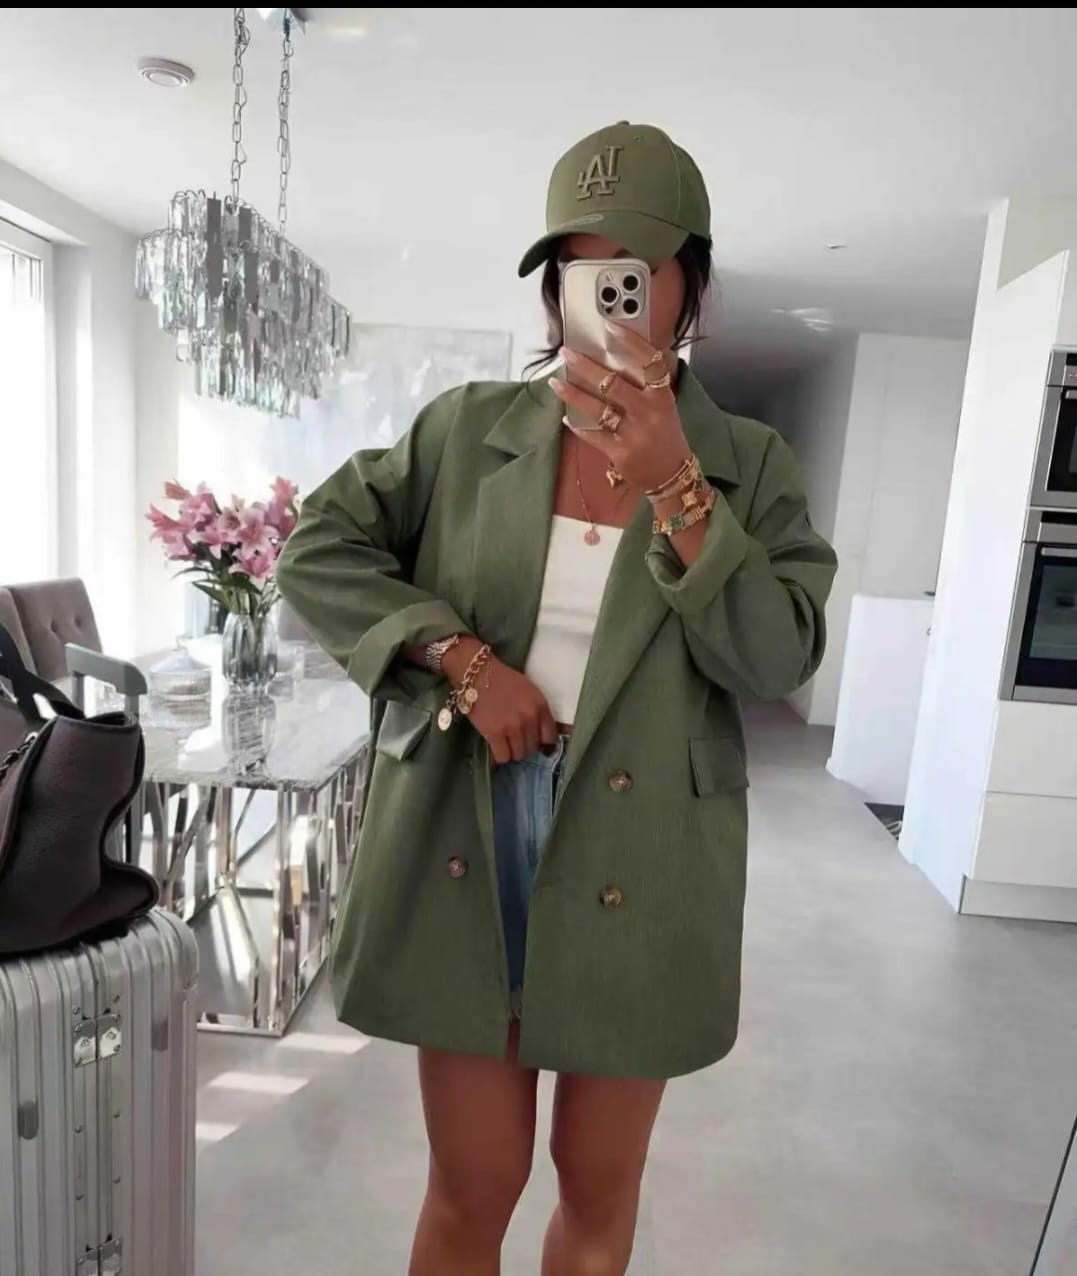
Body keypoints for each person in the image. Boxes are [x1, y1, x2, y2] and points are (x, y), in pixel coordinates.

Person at [276, 120, 837, 1276]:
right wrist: (460, 660)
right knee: (473, 1181)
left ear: (689, 279)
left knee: (597, 1181)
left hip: (650, 841)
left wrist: (679, 487)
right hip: (469, 820)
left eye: (633, 263)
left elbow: (778, 656)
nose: (607, 290)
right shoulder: (466, 431)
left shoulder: (750, 465)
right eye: (578, 266)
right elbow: (317, 548)